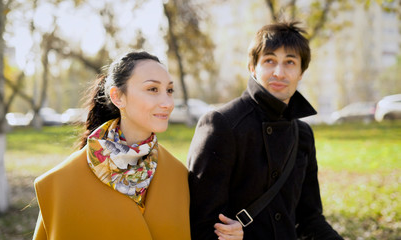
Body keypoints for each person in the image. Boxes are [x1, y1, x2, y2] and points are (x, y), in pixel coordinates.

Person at [187, 21, 344, 239]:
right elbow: (201, 222)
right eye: (269, 60)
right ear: (253, 67)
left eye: (290, 62)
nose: (279, 73)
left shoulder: (303, 134)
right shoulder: (222, 123)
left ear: (301, 72)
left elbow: (309, 219)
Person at [32, 51, 190, 239]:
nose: (167, 103)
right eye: (153, 89)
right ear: (117, 96)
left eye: (169, 91)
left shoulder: (179, 175)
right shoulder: (60, 182)